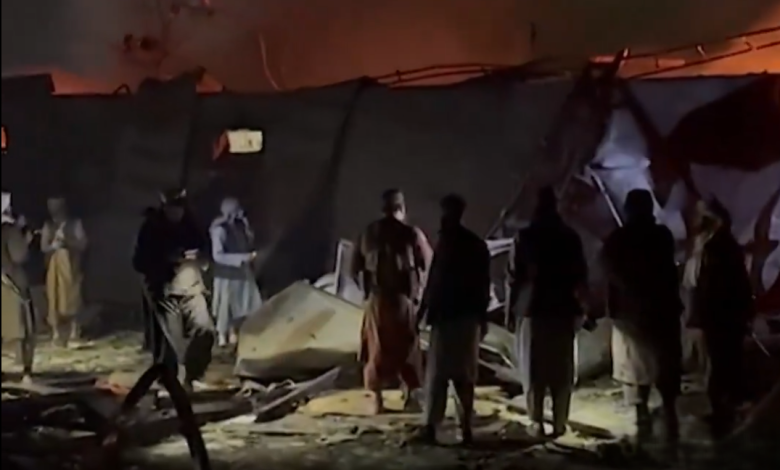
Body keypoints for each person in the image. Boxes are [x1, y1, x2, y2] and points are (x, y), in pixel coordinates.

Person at [505, 186, 589, 438]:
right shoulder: (570, 237)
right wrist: (584, 310)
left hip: (532, 309)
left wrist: (510, 312)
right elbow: (580, 278)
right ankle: (560, 421)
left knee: (534, 369)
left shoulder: (524, 237)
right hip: (563, 309)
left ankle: (537, 422)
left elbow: (513, 278)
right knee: (562, 369)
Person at [601, 189, 683, 442]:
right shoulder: (661, 236)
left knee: (636, 371)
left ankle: (643, 422)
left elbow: (608, 271)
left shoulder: (618, 239)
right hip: (661, 313)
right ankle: (669, 421)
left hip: (631, 317)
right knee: (664, 368)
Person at [417, 194, 491, 445]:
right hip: (466, 319)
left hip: (447, 318)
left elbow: (434, 283)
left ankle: (433, 426)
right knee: (464, 376)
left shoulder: (448, 243)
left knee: (439, 377)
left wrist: (422, 312)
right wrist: (482, 318)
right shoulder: (475, 245)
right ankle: (464, 427)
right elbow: (483, 286)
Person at [351, 189, 432, 414]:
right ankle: (412, 398)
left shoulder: (368, 233)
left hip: (377, 302)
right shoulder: (411, 234)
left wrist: (367, 294)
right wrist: (420, 297)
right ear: (401, 208)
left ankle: (377, 401)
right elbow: (428, 264)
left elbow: (354, 269)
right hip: (403, 301)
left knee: (377, 350)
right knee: (407, 350)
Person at [132, 188, 215, 391]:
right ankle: (169, 380)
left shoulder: (191, 225)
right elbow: (139, 262)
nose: (176, 213)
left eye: (179, 208)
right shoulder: (152, 228)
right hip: (164, 290)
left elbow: (206, 250)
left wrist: (200, 258)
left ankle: (194, 374)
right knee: (171, 342)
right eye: (172, 208)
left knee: (205, 329)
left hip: (191, 286)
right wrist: (168, 259)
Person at [685, 200, 754, 438]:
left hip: (720, 316)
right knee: (727, 361)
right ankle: (729, 408)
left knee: (720, 363)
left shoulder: (716, 247)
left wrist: (699, 315)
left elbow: (709, 287)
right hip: (728, 316)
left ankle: (723, 412)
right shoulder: (723, 245)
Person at [210, 197, 262, 347]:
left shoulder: (239, 227)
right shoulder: (219, 230)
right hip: (227, 274)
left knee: (239, 304)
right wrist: (243, 258)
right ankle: (222, 333)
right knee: (225, 305)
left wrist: (247, 228)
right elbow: (218, 255)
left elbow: (248, 242)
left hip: (240, 273)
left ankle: (234, 331)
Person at [40, 196, 88, 347]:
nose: (53, 209)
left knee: (72, 296)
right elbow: (43, 247)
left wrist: (68, 242)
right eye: (51, 205)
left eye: (56, 205)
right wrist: (52, 246)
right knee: (54, 297)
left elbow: (83, 244)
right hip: (53, 266)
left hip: (71, 266)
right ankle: (56, 333)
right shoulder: (48, 225)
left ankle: (74, 332)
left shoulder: (75, 223)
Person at [1, 192, 36, 382]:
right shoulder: (9, 230)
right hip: (11, 284)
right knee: (22, 329)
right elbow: (19, 256)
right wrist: (26, 241)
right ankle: (25, 372)